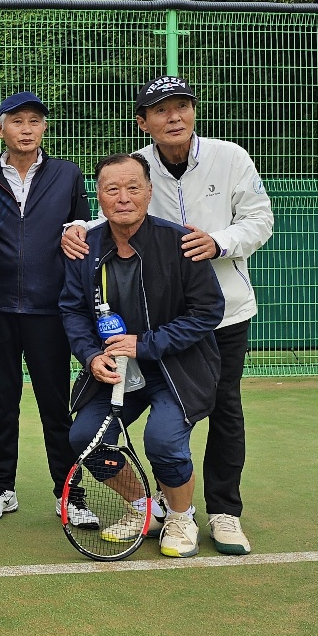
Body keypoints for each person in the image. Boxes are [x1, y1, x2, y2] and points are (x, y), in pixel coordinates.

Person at [61, 76, 273, 554]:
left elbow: (260, 219)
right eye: (161, 110)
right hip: (147, 323)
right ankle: (155, 508)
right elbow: (117, 211)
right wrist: (73, 229)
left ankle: (222, 512)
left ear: (194, 112)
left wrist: (219, 243)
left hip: (223, 313)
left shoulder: (230, 157)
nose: (173, 117)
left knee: (224, 413)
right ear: (144, 122)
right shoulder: (137, 166)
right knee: (102, 431)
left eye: (182, 107)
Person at [60, 153, 226, 558]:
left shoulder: (180, 242)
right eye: (111, 189)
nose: (123, 197)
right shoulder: (86, 248)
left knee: (163, 441)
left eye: (133, 187)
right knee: (85, 439)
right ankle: (144, 508)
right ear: (97, 196)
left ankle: (181, 517)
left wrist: (146, 344)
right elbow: (73, 310)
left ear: (150, 192)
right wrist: (90, 356)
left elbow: (208, 311)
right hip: (118, 371)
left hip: (178, 369)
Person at [0, 92, 97, 528]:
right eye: (17, 121)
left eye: (35, 121)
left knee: (54, 406)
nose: (27, 129)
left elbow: (81, 232)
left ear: (44, 128)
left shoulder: (68, 175)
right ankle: (0, 488)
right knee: (2, 403)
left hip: (50, 310)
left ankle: (70, 493)